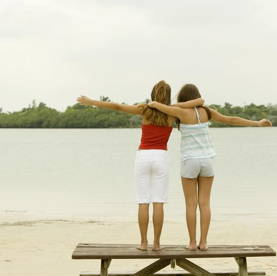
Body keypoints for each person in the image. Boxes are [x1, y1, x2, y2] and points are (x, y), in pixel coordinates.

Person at [76, 81, 203, 251]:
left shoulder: (144, 109)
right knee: (158, 202)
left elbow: (117, 107)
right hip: (160, 157)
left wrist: (91, 101)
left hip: (143, 157)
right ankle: (157, 244)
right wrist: (175, 104)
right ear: (168, 96)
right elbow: (200, 101)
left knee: (143, 201)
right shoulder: (173, 112)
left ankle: (143, 243)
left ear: (152, 94)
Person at [148, 83, 272, 251]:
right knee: (205, 204)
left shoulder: (180, 111)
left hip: (189, 161)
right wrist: (257, 123)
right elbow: (231, 120)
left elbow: (164, 107)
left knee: (191, 204)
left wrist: (154, 103)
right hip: (207, 160)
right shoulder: (207, 112)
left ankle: (192, 243)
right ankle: (204, 242)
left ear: (183, 98)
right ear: (196, 96)